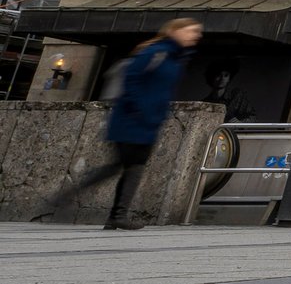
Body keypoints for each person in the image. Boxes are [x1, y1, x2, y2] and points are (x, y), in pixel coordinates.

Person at [36, 17, 202, 229]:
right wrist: (140, 110)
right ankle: (99, 207)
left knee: (124, 166)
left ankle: (109, 213)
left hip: (148, 121)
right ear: (175, 31)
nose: (196, 36)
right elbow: (131, 79)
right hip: (133, 119)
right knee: (130, 166)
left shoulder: (175, 58)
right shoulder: (157, 53)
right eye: (191, 31)